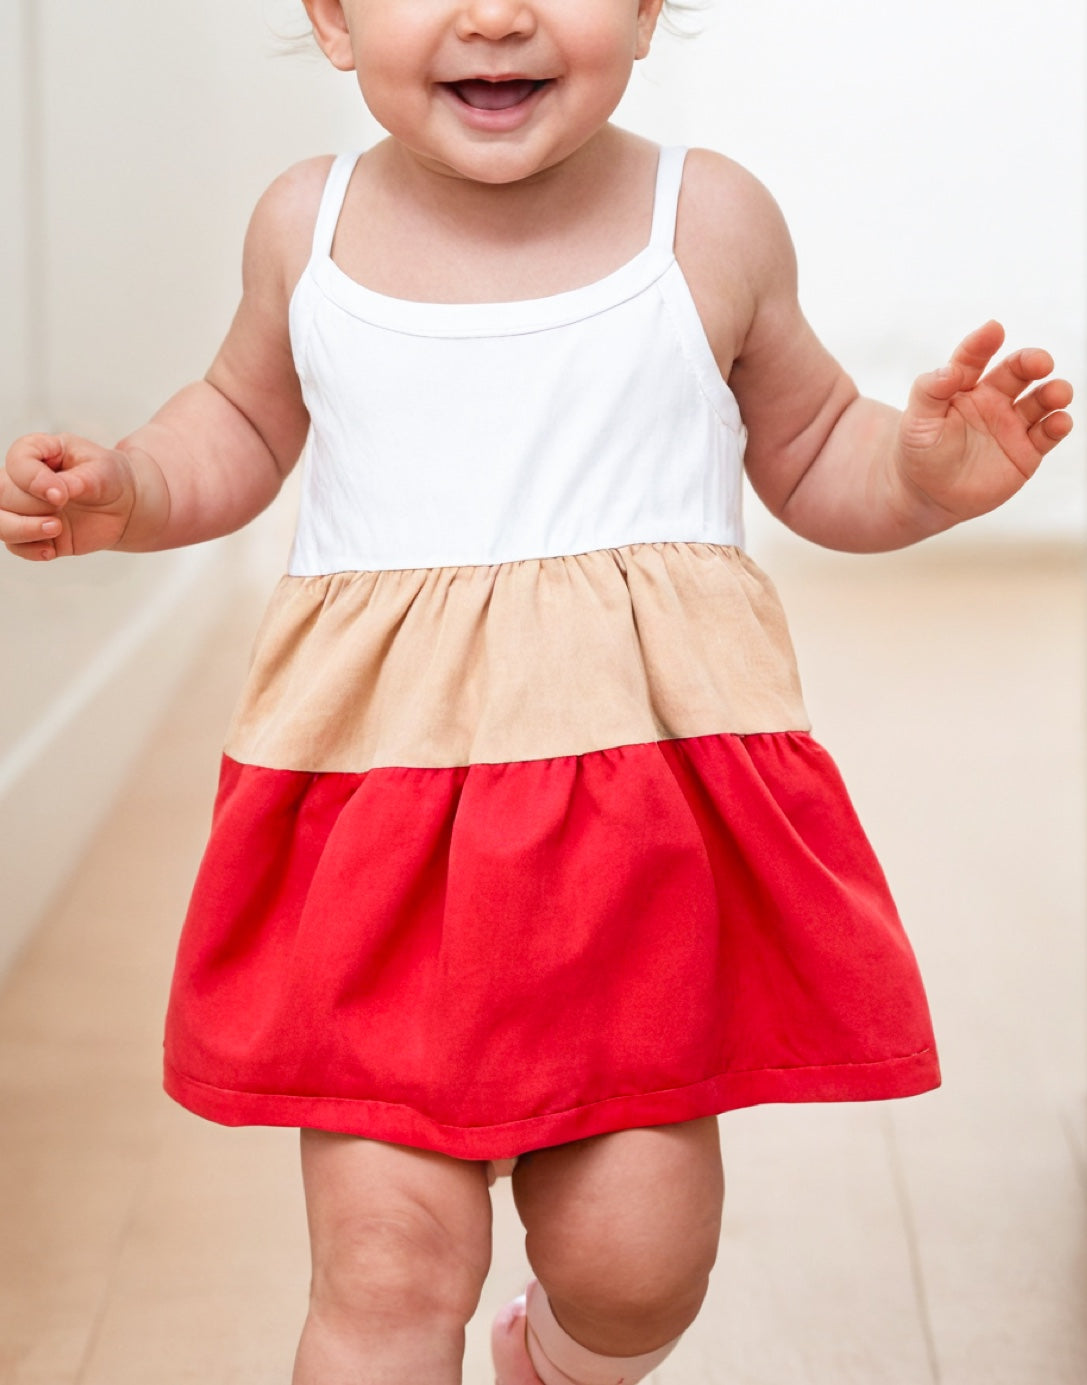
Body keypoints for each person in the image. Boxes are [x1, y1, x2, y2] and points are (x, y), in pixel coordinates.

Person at [1, 0, 1074, 1381]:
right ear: (331, 20)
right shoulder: (304, 226)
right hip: (382, 827)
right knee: (388, 1264)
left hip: (635, 838)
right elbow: (243, 419)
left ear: (644, 11)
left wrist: (921, 477)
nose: (496, 13)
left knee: (639, 1261)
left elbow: (810, 447)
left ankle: (558, 1357)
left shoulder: (711, 220)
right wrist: (133, 489)